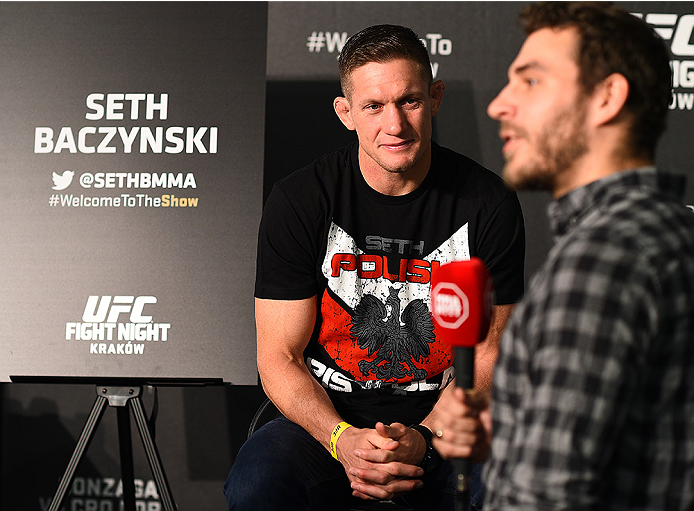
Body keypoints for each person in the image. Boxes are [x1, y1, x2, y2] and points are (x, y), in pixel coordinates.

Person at [224, 24, 525, 511]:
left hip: (445, 423)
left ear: (435, 98)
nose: (396, 125)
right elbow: (279, 358)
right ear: (346, 113)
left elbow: (490, 356)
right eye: (373, 106)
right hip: (329, 422)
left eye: (409, 101)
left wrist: (424, 440)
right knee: (259, 482)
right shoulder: (301, 201)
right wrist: (342, 440)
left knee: (516, 483)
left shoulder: (487, 203)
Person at [432, 2, 694, 510]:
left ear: (606, 98)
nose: (499, 105)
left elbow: (545, 499)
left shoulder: (602, 258)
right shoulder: (670, 229)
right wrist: (510, 442)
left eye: (530, 82)